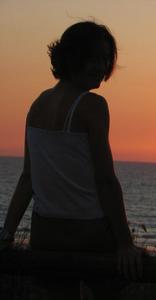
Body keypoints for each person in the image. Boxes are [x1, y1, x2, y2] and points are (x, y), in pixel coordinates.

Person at [0, 21, 147, 299]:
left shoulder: (37, 104)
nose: (102, 66)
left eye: (106, 58)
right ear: (72, 58)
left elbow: (27, 178)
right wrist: (125, 244)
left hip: (45, 236)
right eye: (94, 57)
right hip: (88, 233)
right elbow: (105, 180)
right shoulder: (92, 106)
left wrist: (7, 234)